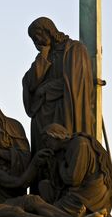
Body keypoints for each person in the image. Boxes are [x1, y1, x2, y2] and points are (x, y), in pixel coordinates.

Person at [22, 17, 95, 158]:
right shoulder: (44, 56)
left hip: (65, 109)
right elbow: (30, 84)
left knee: (63, 151)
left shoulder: (74, 49)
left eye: (37, 34)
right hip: (42, 115)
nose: (36, 40)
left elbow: (76, 80)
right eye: (33, 38)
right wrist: (43, 57)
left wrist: (46, 88)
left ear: (48, 31)